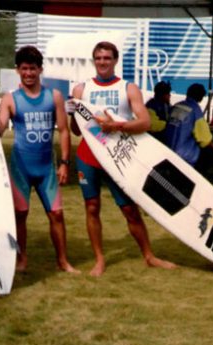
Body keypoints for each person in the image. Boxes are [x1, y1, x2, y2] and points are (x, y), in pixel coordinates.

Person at [70, 41, 176, 277]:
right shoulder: (80, 90)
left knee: (129, 209)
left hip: (119, 156)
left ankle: (149, 255)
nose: (102, 62)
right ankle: (99, 259)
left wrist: (117, 125)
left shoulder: (128, 88)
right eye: (98, 58)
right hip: (89, 156)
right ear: (94, 60)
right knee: (92, 206)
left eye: (107, 58)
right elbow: (77, 131)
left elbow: (145, 123)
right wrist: (73, 113)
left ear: (115, 60)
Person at [0, 45, 78, 274]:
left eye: (32, 69)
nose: (28, 73)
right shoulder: (10, 99)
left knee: (57, 214)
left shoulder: (54, 96)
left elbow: (63, 130)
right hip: (21, 166)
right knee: (20, 213)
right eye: (24, 69)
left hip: (46, 168)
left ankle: (62, 261)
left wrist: (64, 163)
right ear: (17, 70)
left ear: (40, 70)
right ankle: (21, 258)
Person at [164, 83, 213, 174]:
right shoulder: (195, 110)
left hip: (168, 150)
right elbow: (204, 139)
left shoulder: (176, 106)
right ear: (201, 97)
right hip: (185, 154)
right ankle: (196, 174)